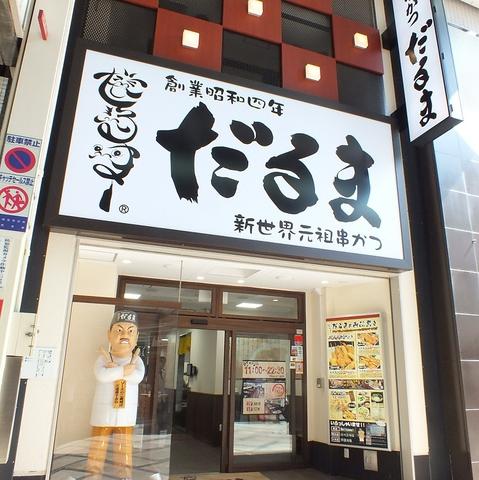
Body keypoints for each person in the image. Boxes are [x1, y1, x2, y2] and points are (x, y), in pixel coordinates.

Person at [87, 310, 145, 480]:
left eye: (130, 331)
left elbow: (137, 377)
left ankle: (123, 476)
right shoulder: (104, 358)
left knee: (123, 448)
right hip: (102, 413)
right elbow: (101, 375)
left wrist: (118, 372)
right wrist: (123, 371)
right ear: (109, 335)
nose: (125, 335)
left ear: (136, 337)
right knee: (98, 446)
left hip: (126, 414)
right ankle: (93, 475)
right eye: (119, 330)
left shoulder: (136, 360)